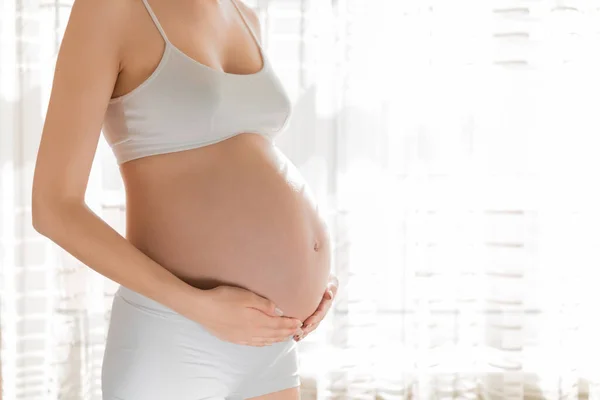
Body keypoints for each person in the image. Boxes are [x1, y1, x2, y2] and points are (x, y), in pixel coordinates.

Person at [31, 0, 339, 398]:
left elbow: (246, 163)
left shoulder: (245, 15)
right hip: (172, 337)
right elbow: (53, 207)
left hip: (271, 344)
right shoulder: (108, 9)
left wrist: (314, 282)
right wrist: (201, 307)